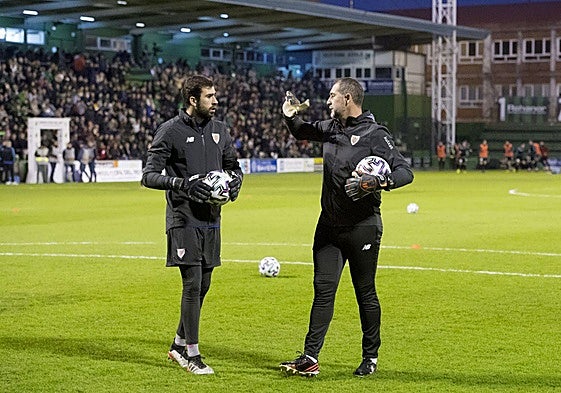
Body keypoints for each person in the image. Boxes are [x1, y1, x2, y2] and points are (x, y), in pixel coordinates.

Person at [279, 78, 414, 377]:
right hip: (328, 226)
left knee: (364, 292)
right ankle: (310, 357)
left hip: (362, 227)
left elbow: (405, 171)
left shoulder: (375, 134)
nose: (328, 101)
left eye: (332, 96)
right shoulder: (330, 128)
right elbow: (301, 129)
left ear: (348, 98)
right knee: (323, 291)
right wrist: (290, 114)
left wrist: (379, 181)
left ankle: (370, 357)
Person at [141, 74, 243, 375]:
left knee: (205, 284)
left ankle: (177, 344)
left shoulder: (220, 130)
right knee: (192, 284)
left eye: (215, 96)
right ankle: (192, 354)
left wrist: (236, 183)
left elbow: (233, 167)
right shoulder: (170, 131)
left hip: (212, 218)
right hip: (183, 218)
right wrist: (183, 184)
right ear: (193, 100)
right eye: (209, 96)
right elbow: (148, 176)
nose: (216, 101)